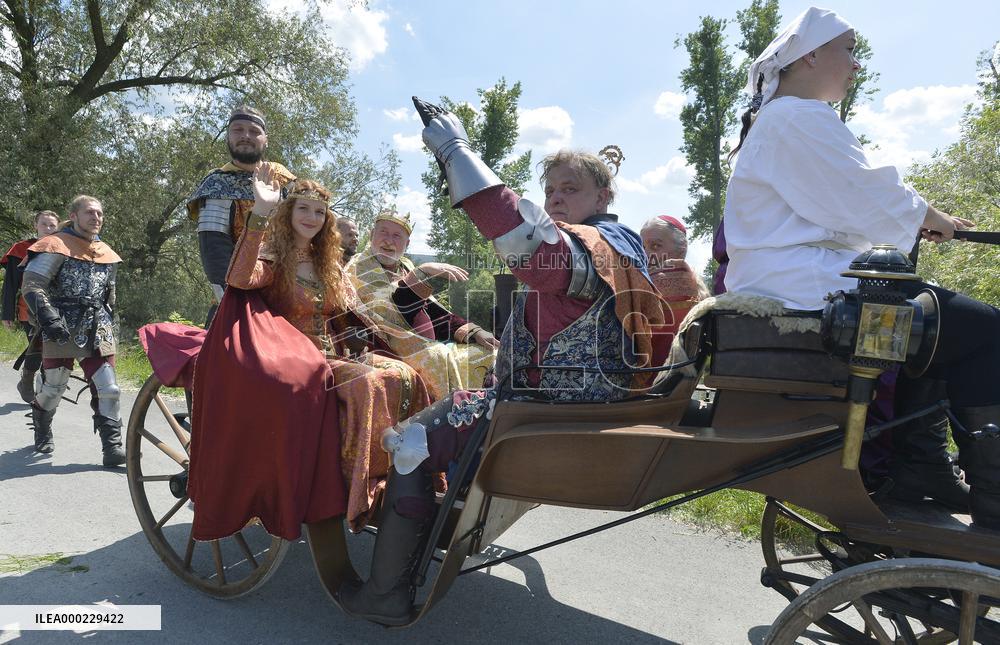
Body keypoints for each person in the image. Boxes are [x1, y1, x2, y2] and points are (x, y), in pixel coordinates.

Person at [337, 101, 666, 624]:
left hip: (545, 405)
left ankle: (384, 595)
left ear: (604, 197)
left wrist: (455, 152)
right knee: (456, 387)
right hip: (566, 394)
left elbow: (526, 247)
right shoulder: (620, 246)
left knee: (410, 441)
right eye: (551, 191)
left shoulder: (596, 246)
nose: (556, 199)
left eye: (570, 190)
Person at [723, 6, 1000, 528]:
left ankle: (921, 465)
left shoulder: (783, 118)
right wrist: (924, 214)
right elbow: (859, 192)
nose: (854, 65)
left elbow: (847, 194)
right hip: (803, 285)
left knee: (943, 325)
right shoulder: (793, 116)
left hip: (800, 278)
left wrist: (918, 215)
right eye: (847, 50)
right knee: (986, 330)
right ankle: (988, 499)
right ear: (809, 56)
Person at [187, 174, 431, 539]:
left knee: (401, 373)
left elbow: (360, 311)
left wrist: (409, 341)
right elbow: (237, 279)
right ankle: (355, 486)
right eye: (303, 208)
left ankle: (397, 468)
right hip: (287, 358)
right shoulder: (272, 257)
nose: (311, 217)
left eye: (319, 211)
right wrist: (260, 214)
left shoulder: (328, 266)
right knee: (367, 382)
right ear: (288, 213)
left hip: (334, 355)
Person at [347, 210, 498, 400]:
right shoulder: (358, 267)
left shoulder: (406, 266)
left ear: (407, 244)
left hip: (426, 342)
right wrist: (422, 272)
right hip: (383, 346)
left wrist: (473, 331)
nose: (388, 241)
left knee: (487, 351)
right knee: (437, 356)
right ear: (371, 235)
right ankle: (446, 422)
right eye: (383, 232)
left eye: (396, 236)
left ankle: (477, 420)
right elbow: (393, 312)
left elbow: (432, 310)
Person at [20, 196, 125, 466]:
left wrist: (111, 322)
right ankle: (42, 428)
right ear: (74, 215)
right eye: (89, 212)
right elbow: (32, 284)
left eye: (100, 213)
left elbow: (109, 294)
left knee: (109, 388)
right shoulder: (55, 244)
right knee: (54, 387)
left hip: (97, 324)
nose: (96, 217)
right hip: (61, 324)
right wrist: (47, 316)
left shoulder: (106, 251)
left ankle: (112, 447)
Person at [186, 106, 295, 323]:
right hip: (238, 304)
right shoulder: (216, 185)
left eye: (254, 131)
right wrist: (242, 304)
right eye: (238, 130)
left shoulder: (285, 184)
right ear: (228, 136)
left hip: (286, 298)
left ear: (266, 139)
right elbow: (215, 256)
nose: (246, 136)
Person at [2, 210, 59, 402]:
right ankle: (35, 390)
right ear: (36, 225)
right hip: (29, 310)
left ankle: (42, 395)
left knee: (51, 352)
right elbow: (10, 284)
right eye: (44, 224)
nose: (49, 229)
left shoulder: (63, 248)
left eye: (53, 225)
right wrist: (6, 314)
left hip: (57, 311)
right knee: (41, 349)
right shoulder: (21, 249)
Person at [640, 215, 709, 346]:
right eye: (641, 247)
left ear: (681, 250)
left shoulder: (661, 286)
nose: (645, 255)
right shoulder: (695, 286)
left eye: (655, 246)